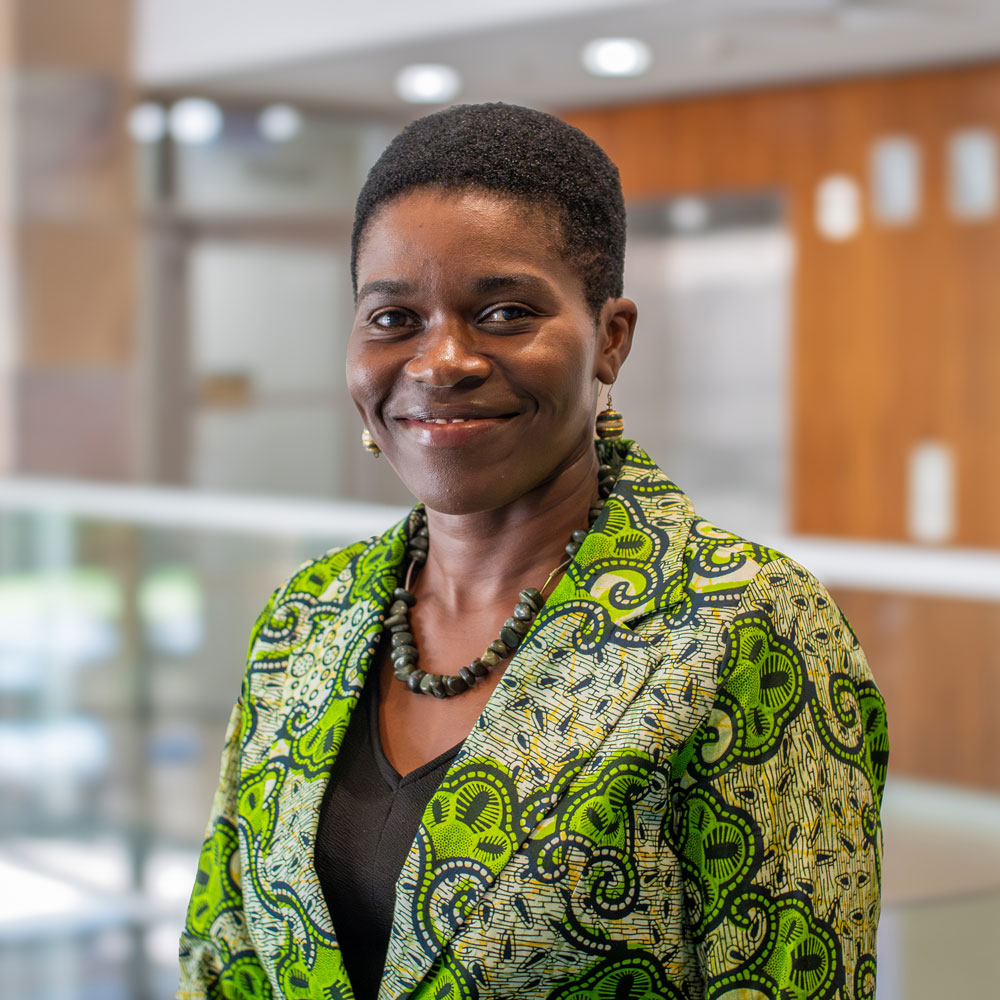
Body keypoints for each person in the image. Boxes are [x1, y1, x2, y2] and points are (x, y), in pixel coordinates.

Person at [178, 103, 887, 1000]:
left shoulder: (743, 628)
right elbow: (222, 951)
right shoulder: (307, 614)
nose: (440, 361)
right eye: (394, 317)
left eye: (505, 312)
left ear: (611, 338)